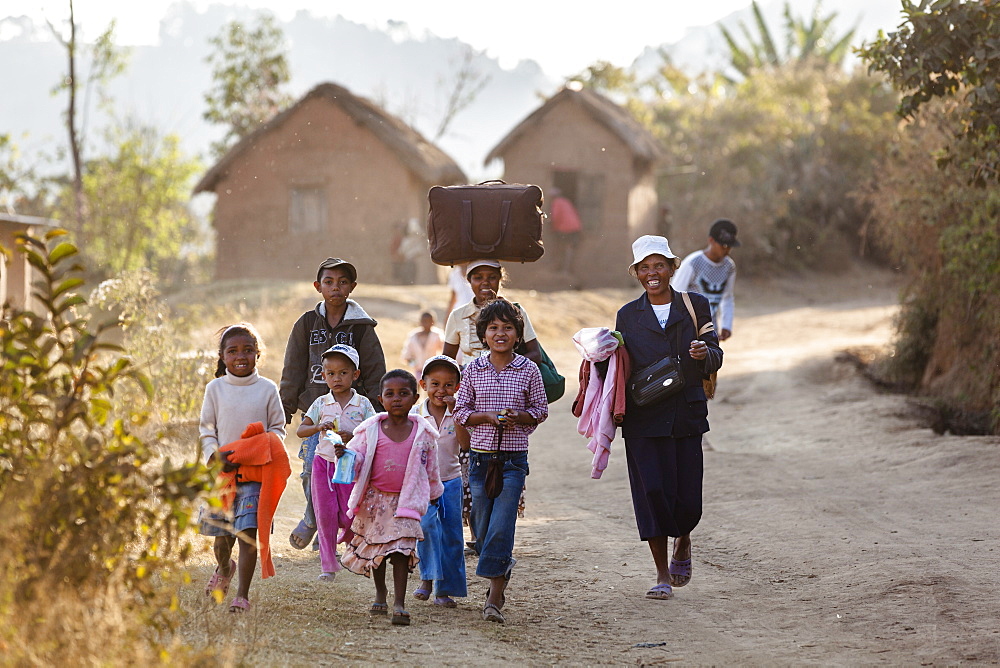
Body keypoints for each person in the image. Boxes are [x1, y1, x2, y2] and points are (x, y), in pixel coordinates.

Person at [615, 235, 722, 601]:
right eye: (645, 268)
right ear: (637, 274)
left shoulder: (695, 306)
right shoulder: (628, 315)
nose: (652, 273)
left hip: (686, 414)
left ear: (673, 268)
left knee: (688, 498)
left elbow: (716, 353)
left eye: (659, 265)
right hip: (644, 417)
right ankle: (661, 574)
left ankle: (684, 538)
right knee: (652, 493)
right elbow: (620, 366)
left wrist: (702, 353)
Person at [280, 257, 387, 552]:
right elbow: (292, 370)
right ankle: (314, 519)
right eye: (329, 282)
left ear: (352, 287)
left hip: (353, 418)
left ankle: (336, 529)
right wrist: (285, 412)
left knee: (348, 475)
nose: (335, 287)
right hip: (317, 416)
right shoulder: (306, 324)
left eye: (342, 282)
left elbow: (376, 372)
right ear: (318, 287)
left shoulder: (362, 327)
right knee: (311, 473)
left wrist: (380, 418)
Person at [453, 299, 548, 623]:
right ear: (483, 334)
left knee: (502, 525)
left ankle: (493, 599)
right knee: (481, 528)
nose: (500, 333)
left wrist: (520, 417)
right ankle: (501, 564)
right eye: (493, 328)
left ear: (518, 335)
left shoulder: (529, 370)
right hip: (479, 461)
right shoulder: (473, 370)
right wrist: (486, 417)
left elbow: (540, 410)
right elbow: (461, 411)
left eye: (508, 327)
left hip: (513, 461)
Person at [441, 259, 543, 535]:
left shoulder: (515, 313)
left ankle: (499, 527)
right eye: (478, 277)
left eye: (491, 277)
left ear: (501, 279)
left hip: (507, 395)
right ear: (468, 281)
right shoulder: (458, 315)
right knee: (470, 459)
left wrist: (506, 365)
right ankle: (478, 530)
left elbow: (535, 353)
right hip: (470, 396)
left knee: (507, 457)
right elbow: (446, 360)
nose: (485, 283)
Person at [338, 369, 444, 626]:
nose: (397, 399)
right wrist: (345, 455)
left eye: (403, 394)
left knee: (400, 551)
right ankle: (380, 593)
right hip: (375, 502)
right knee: (379, 551)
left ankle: (399, 603)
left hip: (406, 502)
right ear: (380, 399)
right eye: (390, 394)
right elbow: (358, 458)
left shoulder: (423, 433)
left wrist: (433, 493)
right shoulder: (371, 430)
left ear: (415, 398)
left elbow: (430, 467)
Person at [199, 323, 286, 613]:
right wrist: (213, 455)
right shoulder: (215, 389)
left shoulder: (267, 389)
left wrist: (260, 450)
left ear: (258, 355)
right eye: (233, 351)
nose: (241, 356)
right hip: (221, 474)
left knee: (247, 533)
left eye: (248, 350)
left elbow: (278, 429)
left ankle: (242, 596)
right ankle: (225, 567)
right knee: (222, 538)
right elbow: (206, 429)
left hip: (255, 475)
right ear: (222, 356)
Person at [296, 344, 376, 581]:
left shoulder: (363, 404)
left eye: (343, 373)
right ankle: (328, 566)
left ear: (355, 375)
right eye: (331, 373)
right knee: (325, 513)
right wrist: (318, 427)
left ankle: (353, 554)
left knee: (350, 513)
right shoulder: (321, 403)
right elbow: (301, 430)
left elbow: (373, 431)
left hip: (351, 465)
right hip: (324, 464)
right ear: (323, 376)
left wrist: (353, 437)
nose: (337, 378)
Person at [411, 355, 470, 608]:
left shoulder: (458, 412)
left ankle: (444, 590)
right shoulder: (415, 414)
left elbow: (466, 444)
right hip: (422, 483)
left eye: (448, 385)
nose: (441, 390)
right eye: (435, 384)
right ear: (423, 384)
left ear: (457, 387)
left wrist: (457, 413)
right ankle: (427, 578)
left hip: (451, 481)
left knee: (452, 536)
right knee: (425, 528)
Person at [671, 219, 740, 341]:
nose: (727, 250)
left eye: (730, 246)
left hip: (710, 325)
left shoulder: (729, 266)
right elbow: (675, 293)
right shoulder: (693, 262)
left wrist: (726, 325)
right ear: (711, 241)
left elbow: (727, 297)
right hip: (688, 325)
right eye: (723, 246)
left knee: (711, 358)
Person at [548, 187, 583, 273]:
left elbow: (555, 216)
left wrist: (552, 227)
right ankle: (566, 269)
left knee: (562, 247)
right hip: (575, 227)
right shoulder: (566, 201)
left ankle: (563, 269)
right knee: (569, 248)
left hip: (565, 228)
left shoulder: (556, 202)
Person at [400, 312, 444, 377]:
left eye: (429, 321)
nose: (426, 324)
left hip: (433, 370)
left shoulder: (437, 335)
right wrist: (414, 364)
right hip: (418, 370)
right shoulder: (413, 336)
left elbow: (444, 350)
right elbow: (407, 355)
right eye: (424, 321)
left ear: (433, 322)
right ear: (420, 322)